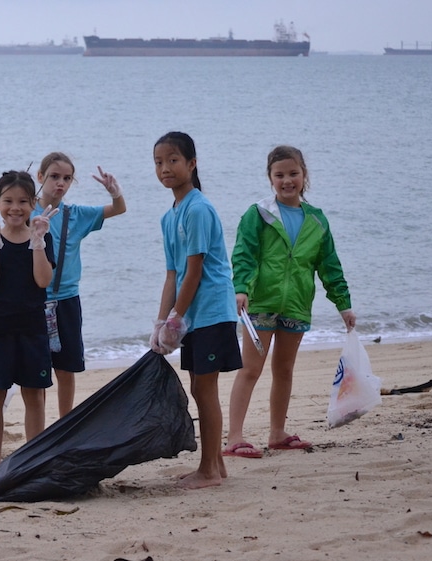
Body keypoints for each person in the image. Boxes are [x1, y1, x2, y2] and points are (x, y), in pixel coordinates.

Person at [224, 145, 356, 459]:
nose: (287, 180)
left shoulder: (317, 220)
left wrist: (344, 304)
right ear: (270, 178)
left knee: (284, 369)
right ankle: (234, 437)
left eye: (293, 173)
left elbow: (330, 266)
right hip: (261, 303)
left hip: (296, 305)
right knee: (250, 370)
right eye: (279, 175)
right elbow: (244, 253)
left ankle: (277, 433)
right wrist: (240, 288)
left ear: (304, 175)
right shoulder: (258, 213)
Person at [150, 132, 242, 489]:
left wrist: (177, 317)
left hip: (212, 312)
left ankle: (208, 471)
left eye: (173, 160)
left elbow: (196, 269)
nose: (165, 168)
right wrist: (161, 321)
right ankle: (215, 464)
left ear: (191, 164)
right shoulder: (169, 215)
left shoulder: (198, 208)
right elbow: (172, 274)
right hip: (193, 315)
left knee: (205, 390)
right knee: (199, 386)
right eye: (158, 162)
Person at [0, 170, 59, 472]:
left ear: (34, 203)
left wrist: (38, 241)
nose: (15, 208)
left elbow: (43, 280)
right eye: (8, 200)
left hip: (33, 324)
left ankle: (32, 460)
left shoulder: (42, 236)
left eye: (23, 201)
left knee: (34, 393)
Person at [33, 152, 126, 417]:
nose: (60, 183)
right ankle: (37, 427)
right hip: (33, 300)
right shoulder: (28, 212)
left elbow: (118, 209)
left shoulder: (77, 214)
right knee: (37, 370)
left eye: (66, 178)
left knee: (66, 368)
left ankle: (64, 423)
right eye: (53, 177)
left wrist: (114, 192)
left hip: (67, 300)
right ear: (40, 177)